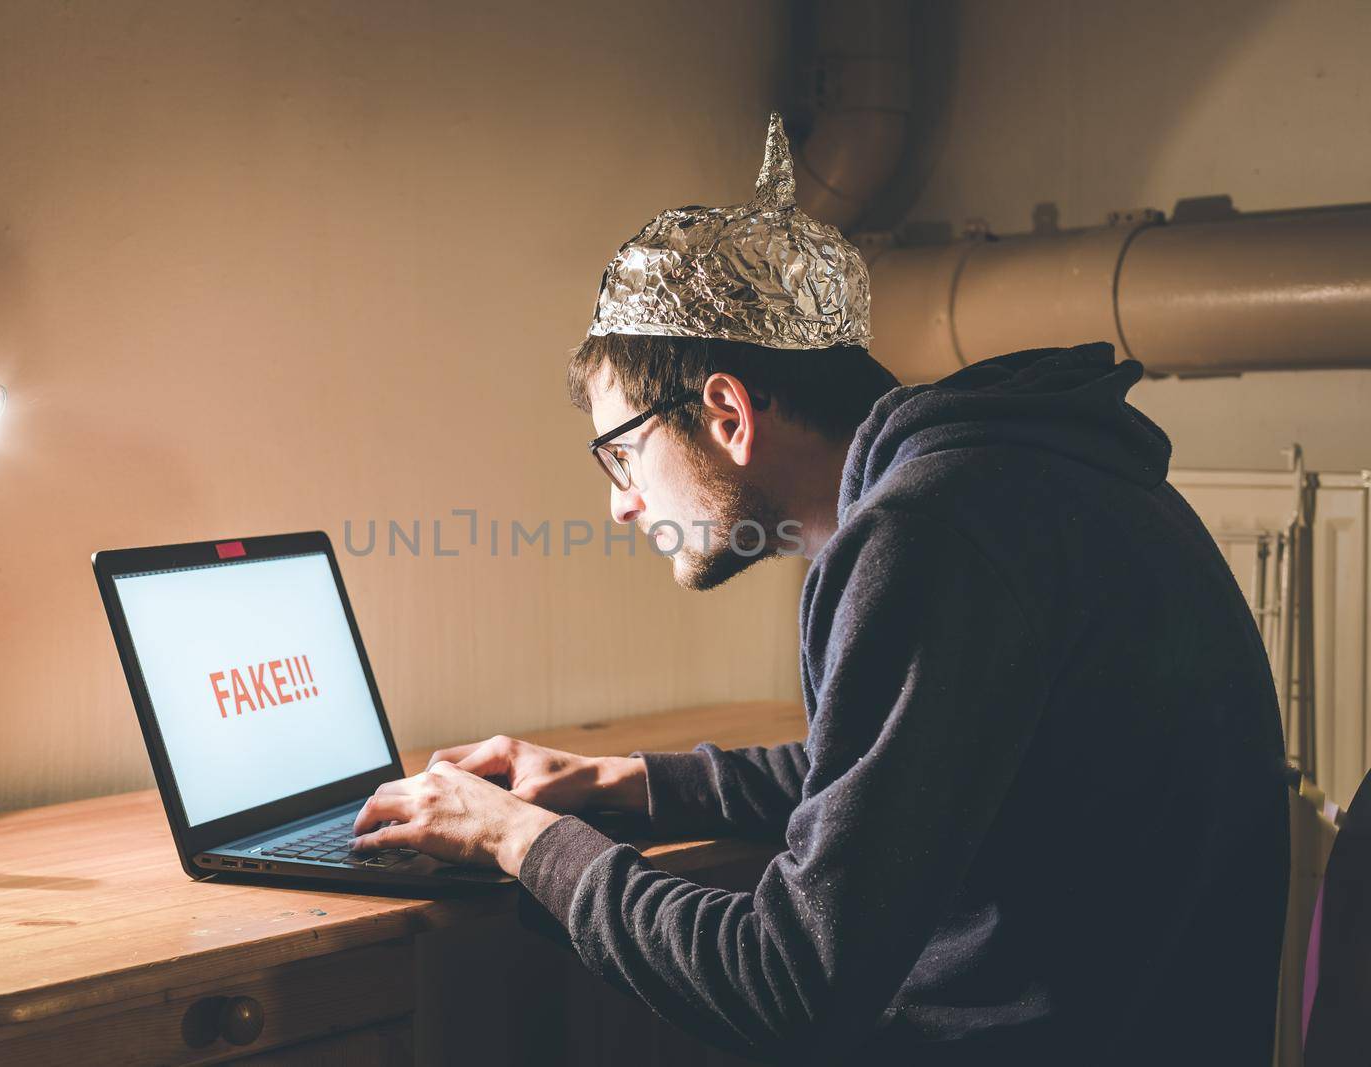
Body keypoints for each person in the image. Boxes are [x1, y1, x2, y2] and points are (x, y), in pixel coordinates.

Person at [351, 114, 1290, 1064]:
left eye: (623, 454)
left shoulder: (929, 535)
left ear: (726, 412)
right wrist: (620, 782)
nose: (622, 506)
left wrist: (521, 839)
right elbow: (893, 779)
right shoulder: (1012, 483)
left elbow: (787, 982)